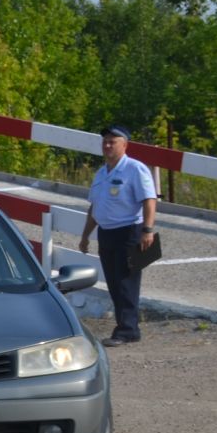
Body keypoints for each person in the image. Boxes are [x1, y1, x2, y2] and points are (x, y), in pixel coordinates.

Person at [79, 125, 159, 345]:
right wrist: (86, 235)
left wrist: (147, 230)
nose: (107, 145)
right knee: (114, 283)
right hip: (107, 233)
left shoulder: (135, 169)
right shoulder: (101, 172)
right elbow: (95, 207)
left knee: (126, 283)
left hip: (129, 232)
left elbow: (149, 200)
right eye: (105, 141)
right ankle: (125, 326)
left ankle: (128, 330)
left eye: (112, 142)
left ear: (125, 144)